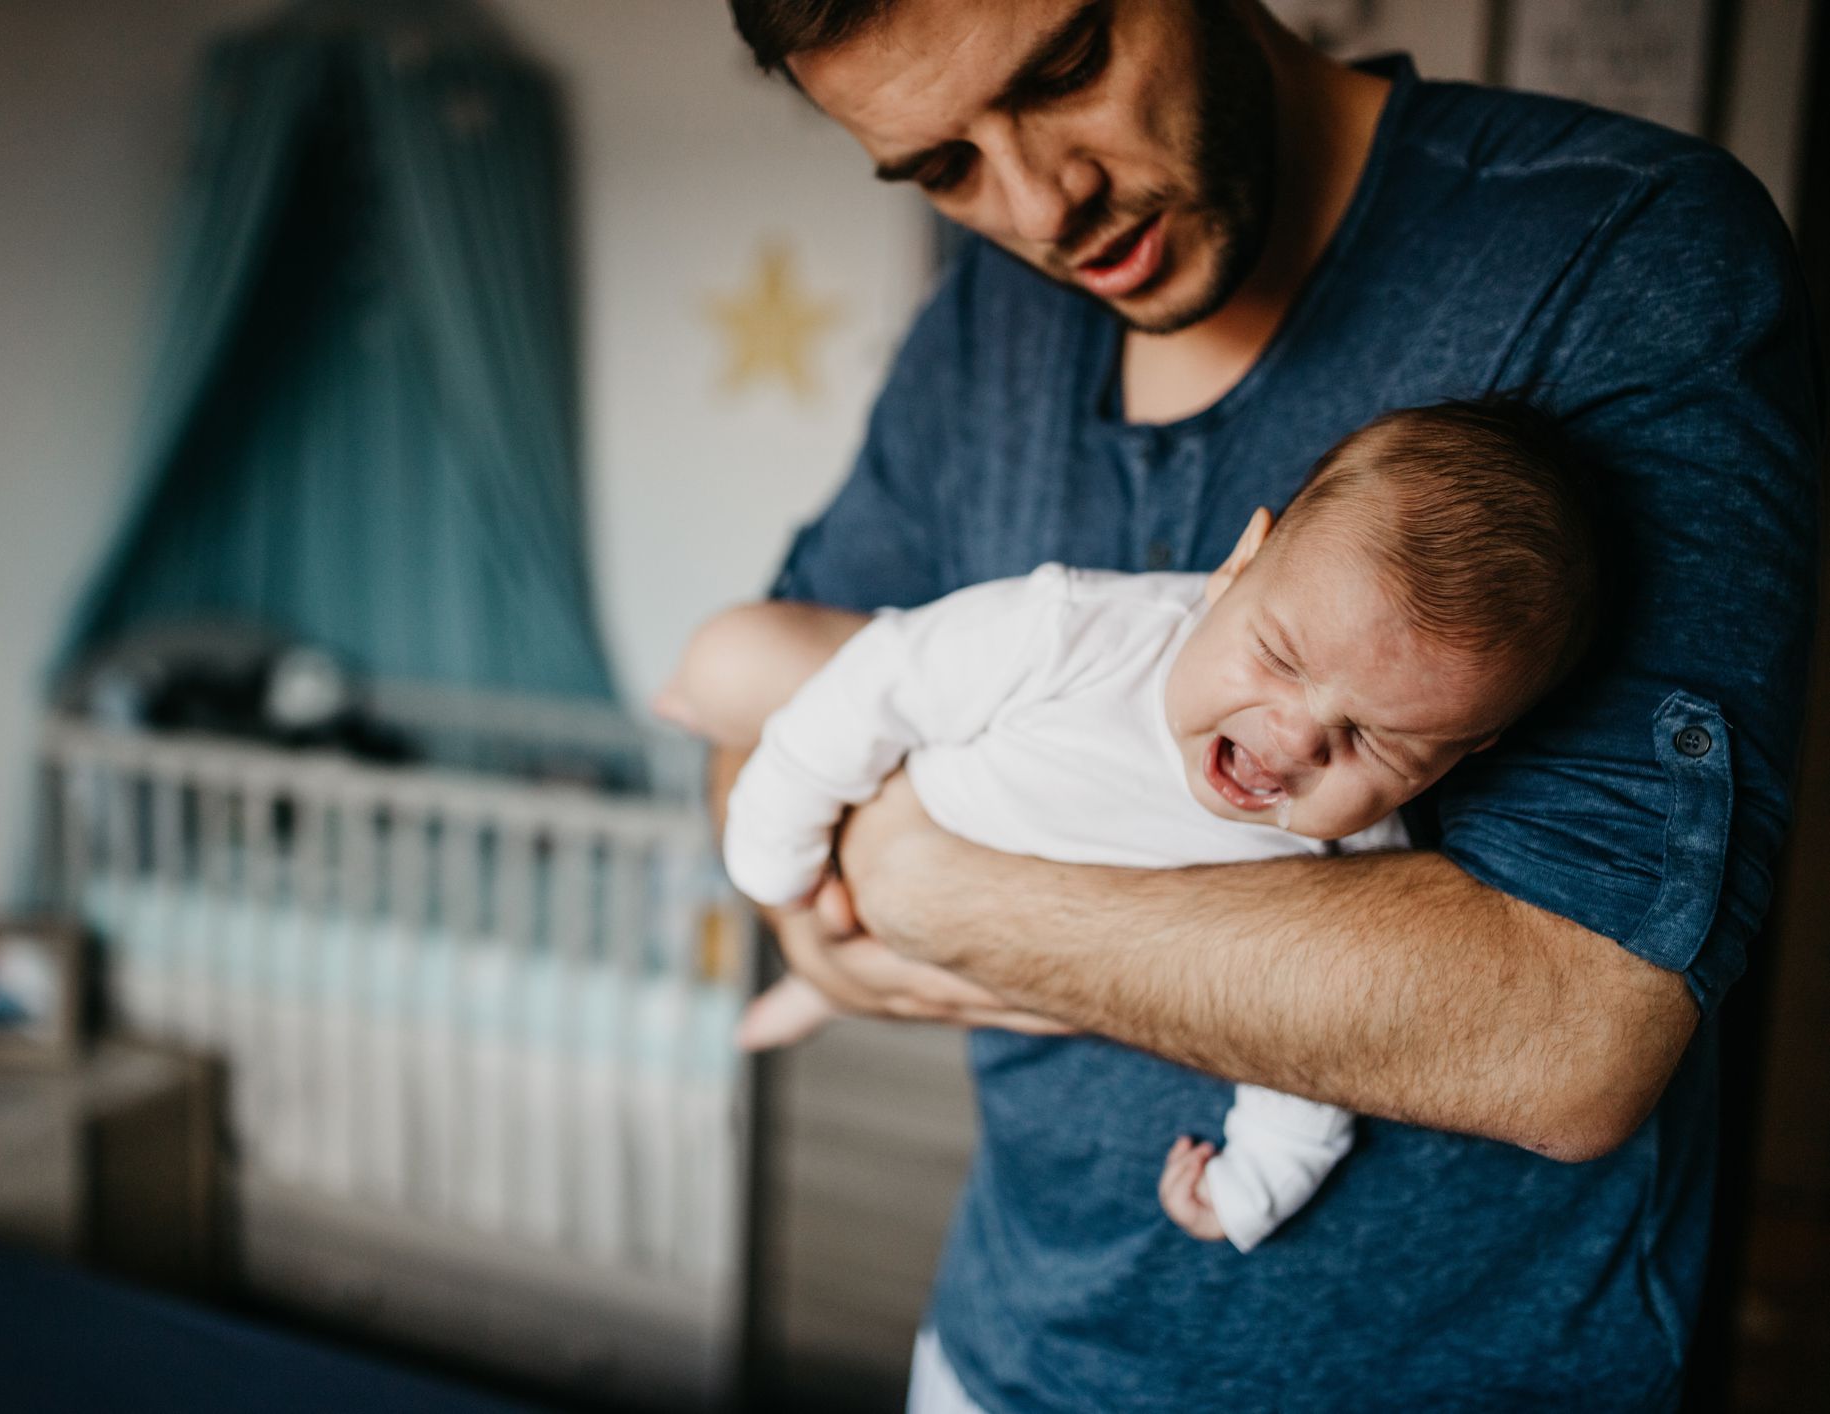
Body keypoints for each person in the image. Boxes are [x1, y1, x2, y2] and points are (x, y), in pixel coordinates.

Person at [713, 0, 1820, 1407]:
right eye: (942, 168)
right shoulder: (981, 330)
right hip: (1006, 1350)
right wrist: (798, 914)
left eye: (1065, 71)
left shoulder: (1621, 255)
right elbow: (769, 691)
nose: (1043, 200)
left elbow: (1570, 1036)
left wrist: (909, 875)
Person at [666, 400, 1598, 1253]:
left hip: (1006, 943)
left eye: (1374, 741)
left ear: (1458, 756)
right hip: (923, 791)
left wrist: (1260, 1179)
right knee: (745, 664)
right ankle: (823, 967)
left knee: (929, 954)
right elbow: (880, 684)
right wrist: (775, 851)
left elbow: (1306, 1030)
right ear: (1236, 568)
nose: (1291, 740)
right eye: (1277, 656)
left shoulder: (1348, 857)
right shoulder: (1081, 629)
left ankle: (830, 979)